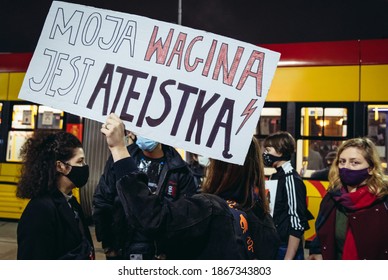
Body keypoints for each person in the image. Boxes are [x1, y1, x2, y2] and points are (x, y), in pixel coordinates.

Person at [100, 113, 280, 259]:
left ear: (221, 167)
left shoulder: (209, 209)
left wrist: (119, 149)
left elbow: (151, 217)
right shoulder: (265, 222)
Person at [93, 125, 197, 260]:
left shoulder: (180, 170)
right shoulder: (120, 160)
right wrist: (107, 244)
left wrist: (172, 251)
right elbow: (102, 200)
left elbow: (185, 217)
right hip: (123, 248)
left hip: (159, 253)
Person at [16, 130, 95, 260]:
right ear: (61, 166)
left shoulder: (71, 202)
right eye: (80, 161)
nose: (84, 167)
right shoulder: (39, 210)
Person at [308, 137, 388, 260]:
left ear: (371, 168)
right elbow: (320, 234)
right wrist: (317, 252)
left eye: (354, 162)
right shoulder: (332, 198)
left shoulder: (383, 200)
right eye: (342, 162)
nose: (346, 167)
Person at [263, 131, 311, 260]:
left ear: (280, 151)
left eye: (268, 150)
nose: (265, 154)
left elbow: (297, 222)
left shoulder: (291, 179)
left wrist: (288, 259)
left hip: (284, 249)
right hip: (274, 245)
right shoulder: (275, 175)